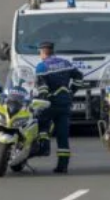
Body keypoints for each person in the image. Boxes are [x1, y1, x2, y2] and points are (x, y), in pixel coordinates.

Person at [35, 41, 85, 174]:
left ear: (43, 52)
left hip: (50, 103)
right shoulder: (66, 63)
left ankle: (44, 147)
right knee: (63, 135)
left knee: (41, 123)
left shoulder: (41, 67)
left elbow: (43, 88)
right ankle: (63, 166)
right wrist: (72, 91)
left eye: (40, 52)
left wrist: (42, 100)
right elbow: (79, 76)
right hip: (65, 102)